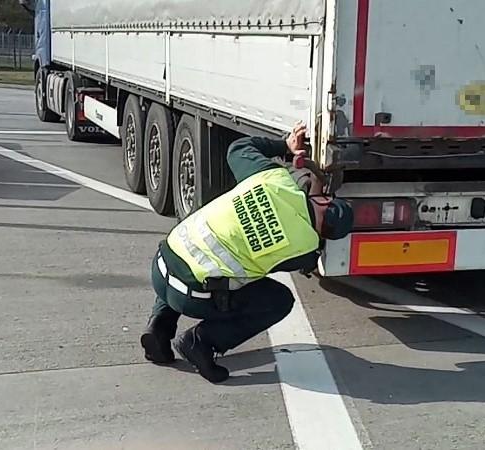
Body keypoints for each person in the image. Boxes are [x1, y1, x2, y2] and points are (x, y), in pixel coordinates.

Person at [140, 123, 354, 383]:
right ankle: (201, 342)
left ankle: (159, 328)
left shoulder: (274, 179)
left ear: (325, 200)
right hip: (190, 298)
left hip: (161, 263)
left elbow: (239, 147)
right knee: (279, 301)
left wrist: (286, 146)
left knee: (193, 252)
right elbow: (307, 240)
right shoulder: (305, 248)